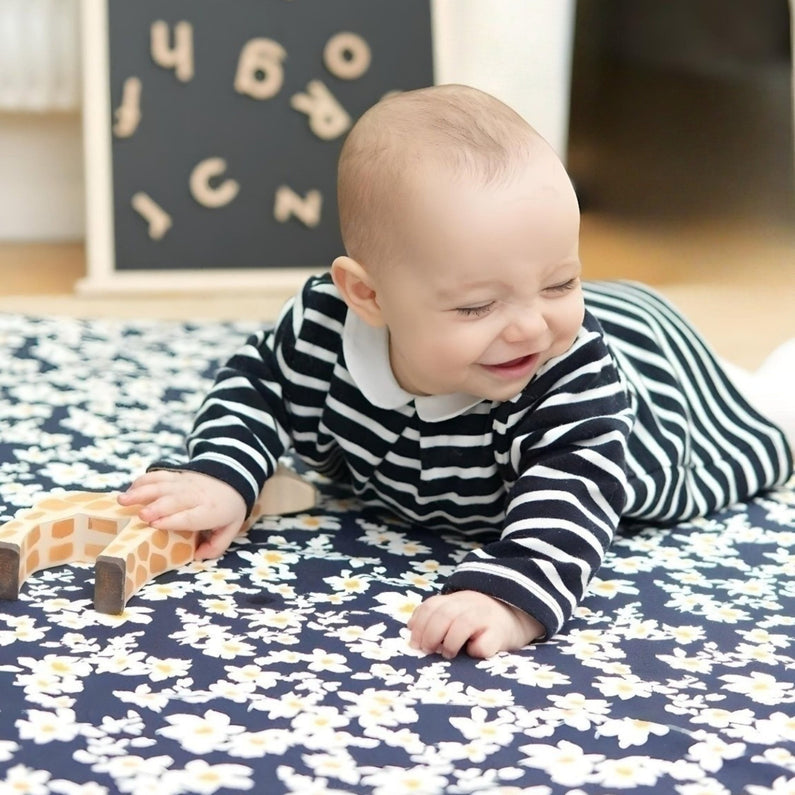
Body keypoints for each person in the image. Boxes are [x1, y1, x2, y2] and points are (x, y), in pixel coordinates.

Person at [119, 84, 793, 659]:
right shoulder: (324, 331)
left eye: (561, 281)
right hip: (601, 336)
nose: (528, 324)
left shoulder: (567, 374)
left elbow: (573, 496)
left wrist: (506, 599)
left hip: (652, 374)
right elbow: (255, 386)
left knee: (761, 425)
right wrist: (225, 473)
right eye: (476, 304)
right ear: (368, 296)